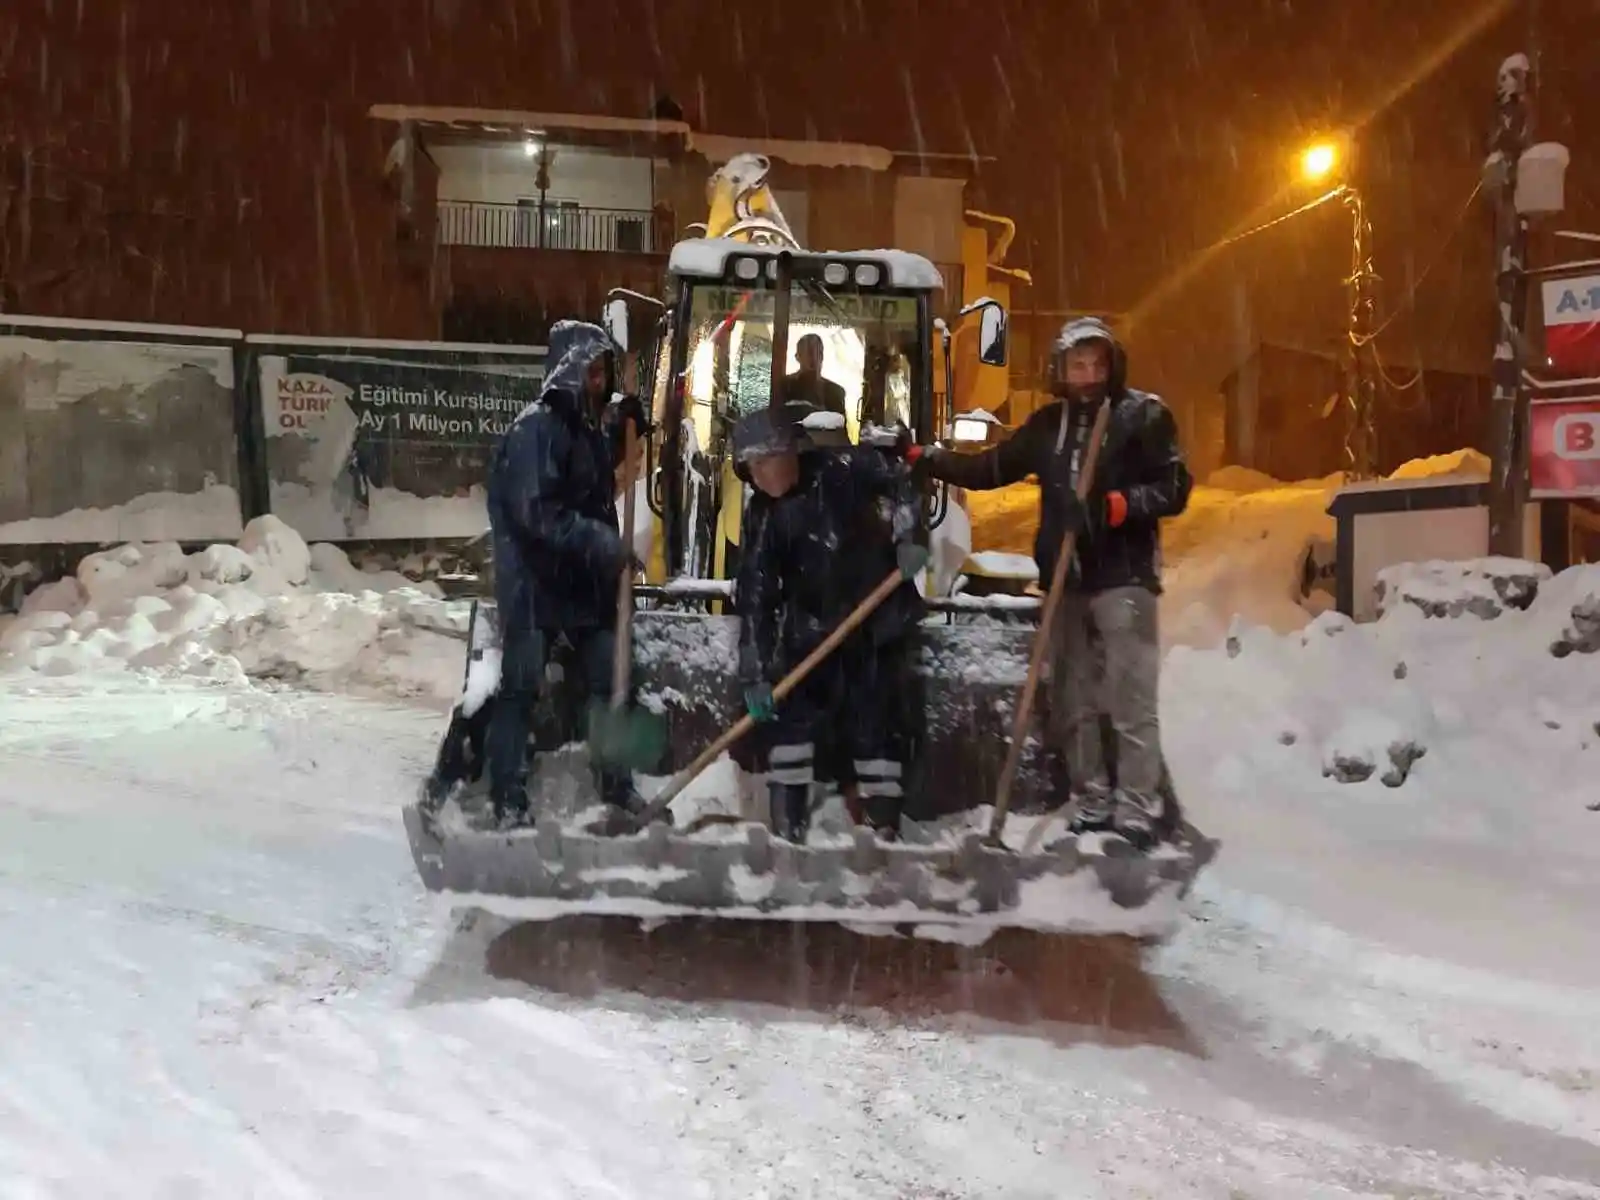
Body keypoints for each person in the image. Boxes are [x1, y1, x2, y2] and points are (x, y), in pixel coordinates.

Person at [908, 317, 1192, 849]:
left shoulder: (1142, 416)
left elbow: (1174, 486)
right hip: (1068, 582)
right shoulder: (1048, 426)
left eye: (1096, 364)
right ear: (1059, 369)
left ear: (1111, 366)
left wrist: (1121, 504)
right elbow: (991, 466)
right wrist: (932, 461)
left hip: (1123, 578)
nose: (1087, 375)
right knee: (1073, 698)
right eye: (1076, 365)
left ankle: (1136, 807)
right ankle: (1092, 797)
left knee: (1130, 700)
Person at [480, 319, 649, 828]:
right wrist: (604, 545)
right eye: (591, 374)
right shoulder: (534, 431)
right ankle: (507, 796)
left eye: (604, 374)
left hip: (582, 586)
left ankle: (616, 786)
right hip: (535, 584)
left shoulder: (588, 430)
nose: (599, 383)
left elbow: (589, 483)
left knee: (611, 680)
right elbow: (538, 512)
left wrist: (625, 423)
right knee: (521, 688)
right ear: (567, 374)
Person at [734, 407, 927, 843]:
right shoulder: (765, 515)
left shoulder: (844, 470)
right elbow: (756, 598)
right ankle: (788, 828)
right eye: (753, 466)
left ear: (794, 450)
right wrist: (757, 672)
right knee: (790, 723)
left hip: (873, 623)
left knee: (875, 723)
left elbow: (901, 486)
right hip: (814, 630)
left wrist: (908, 538)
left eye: (771, 458)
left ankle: (883, 828)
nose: (764, 473)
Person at [781, 333, 848, 418]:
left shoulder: (835, 392)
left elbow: (839, 427)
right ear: (797, 357)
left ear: (822, 356)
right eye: (809, 353)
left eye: (818, 353)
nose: (813, 358)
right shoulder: (785, 386)